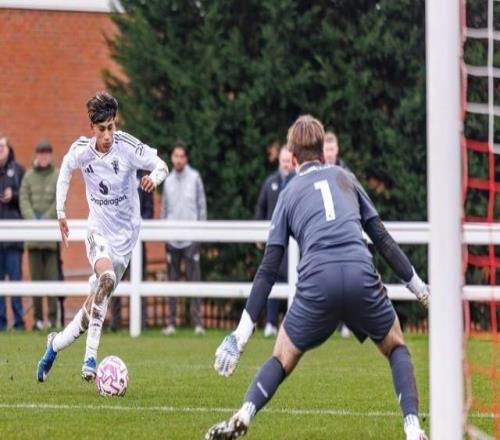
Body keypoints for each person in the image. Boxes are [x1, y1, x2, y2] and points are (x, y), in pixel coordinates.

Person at [205, 115, 429, 440]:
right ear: (323, 153)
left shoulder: (288, 193)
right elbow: (381, 238)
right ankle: (412, 427)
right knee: (396, 346)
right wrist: (421, 290)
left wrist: (241, 334)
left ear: (293, 159)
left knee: (282, 357)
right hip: (360, 273)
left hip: (318, 282)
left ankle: (245, 412)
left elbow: (269, 268)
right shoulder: (345, 177)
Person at [36, 91, 168, 383]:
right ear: (91, 128)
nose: (108, 135)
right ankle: (90, 357)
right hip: (97, 231)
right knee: (106, 280)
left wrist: (153, 178)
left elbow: (161, 165)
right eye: (101, 129)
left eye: (111, 127)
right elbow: (65, 170)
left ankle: (54, 345)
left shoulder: (127, 146)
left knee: (90, 309)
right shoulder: (82, 151)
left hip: (125, 240)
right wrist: (60, 212)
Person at [161, 141, 207, 336]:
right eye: (176, 156)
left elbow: (201, 206)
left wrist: (200, 234)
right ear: (172, 158)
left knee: (194, 281)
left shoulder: (195, 178)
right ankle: (171, 324)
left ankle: (198, 324)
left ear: (186, 158)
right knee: (171, 283)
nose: (178, 159)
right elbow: (164, 210)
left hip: (191, 239)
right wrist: (163, 235)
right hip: (172, 239)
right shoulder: (167, 181)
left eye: (182, 156)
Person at [255, 145, 295, 337]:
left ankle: (289, 325)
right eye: (283, 161)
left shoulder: (298, 182)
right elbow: (260, 207)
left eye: (288, 161)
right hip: (274, 241)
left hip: (293, 244)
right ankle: (270, 323)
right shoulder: (270, 183)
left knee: (293, 282)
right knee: (271, 280)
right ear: (279, 161)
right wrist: (257, 233)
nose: (286, 164)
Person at [20, 140, 59, 330]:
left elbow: (59, 201)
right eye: (41, 153)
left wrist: (44, 220)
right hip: (33, 239)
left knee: (52, 280)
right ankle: (37, 320)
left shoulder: (57, 175)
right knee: (35, 281)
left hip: (51, 240)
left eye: (47, 153)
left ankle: (52, 320)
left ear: (50, 155)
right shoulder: (28, 177)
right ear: (36, 155)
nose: (44, 157)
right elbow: (24, 200)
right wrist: (32, 220)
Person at [109, 169, 154, 331]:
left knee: (140, 278)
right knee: (115, 279)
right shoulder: (117, 175)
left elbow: (149, 210)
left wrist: (139, 222)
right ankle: (115, 322)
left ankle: (142, 322)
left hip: (138, 240)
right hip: (119, 240)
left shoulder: (145, 178)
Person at [323, 130, 351, 338]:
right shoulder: (317, 173)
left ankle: (346, 323)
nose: (330, 153)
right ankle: (327, 324)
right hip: (323, 233)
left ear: (337, 150)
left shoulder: (345, 173)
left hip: (343, 231)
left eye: (332, 149)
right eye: (327, 149)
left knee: (345, 278)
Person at [0, 133, 25, 331]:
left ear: (9, 149)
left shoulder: (18, 171)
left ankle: (18, 322)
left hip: (14, 238)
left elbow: (24, 198)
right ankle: (1, 322)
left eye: (2, 146)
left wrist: (13, 195)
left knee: (16, 281)